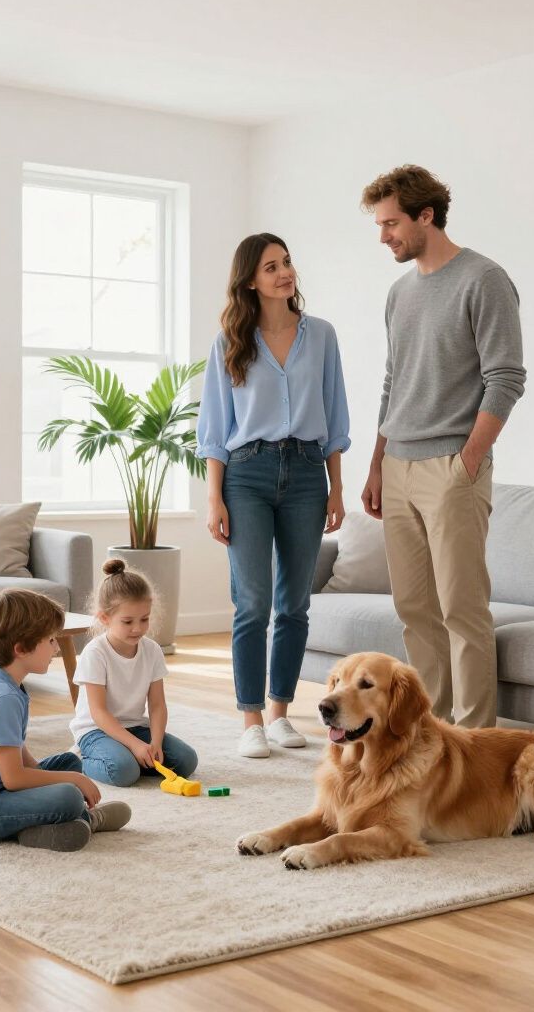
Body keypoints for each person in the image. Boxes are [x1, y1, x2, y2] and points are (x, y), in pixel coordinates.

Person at [360, 164, 526, 729]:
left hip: (452, 466)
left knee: (462, 609)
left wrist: (469, 459)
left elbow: (506, 377)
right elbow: (393, 382)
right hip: (398, 465)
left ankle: (474, 739)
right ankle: (431, 732)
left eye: (391, 224)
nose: (384, 236)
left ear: (426, 216)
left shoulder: (484, 279)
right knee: (414, 609)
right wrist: (377, 465)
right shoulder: (399, 293)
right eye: (380, 226)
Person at [198, 232, 350, 758]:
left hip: (308, 472)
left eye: (286, 262)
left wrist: (336, 487)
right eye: (270, 267)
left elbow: (334, 415)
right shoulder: (229, 341)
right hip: (247, 474)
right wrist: (214, 498)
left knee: (294, 603)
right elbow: (215, 429)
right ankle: (251, 720)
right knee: (252, 603)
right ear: (249, 280)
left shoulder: (321, 335)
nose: (285, 273)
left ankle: (281, 713)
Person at [0, 587, 131, 851]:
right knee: (69, 794)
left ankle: (47, 825)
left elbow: (18, 753)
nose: (56, 648)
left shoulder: (0, 682)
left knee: (69, 763)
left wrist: (62, 776)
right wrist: (74, 781)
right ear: (21, 648)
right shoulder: (1, 698)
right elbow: (14, 779)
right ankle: (86, 819)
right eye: (51, 640)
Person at [71, 559, 198, 786]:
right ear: (105, 618)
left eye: (144, 619)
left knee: (186, 761)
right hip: (96, 731)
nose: (137, 628)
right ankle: (78, 760)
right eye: (128, 621)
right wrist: (135, 745)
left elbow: (157, 705)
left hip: (136, 727)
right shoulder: (95, 653)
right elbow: (98, 712)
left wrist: (155, 742)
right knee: (124, 772)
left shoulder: (152, 650)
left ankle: (130, 757)